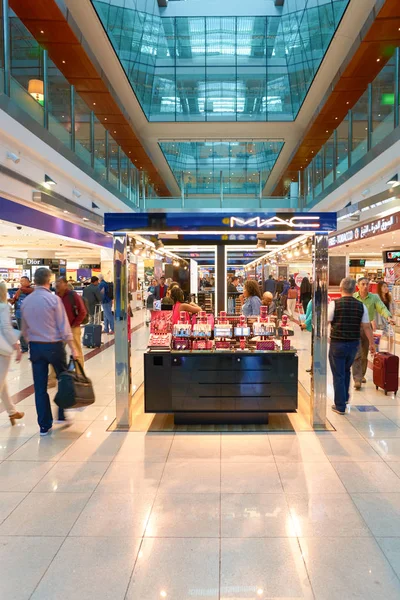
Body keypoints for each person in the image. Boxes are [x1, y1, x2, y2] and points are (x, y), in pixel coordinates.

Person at [21, 267, 78, 435]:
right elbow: (64, 326)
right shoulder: (53, 300)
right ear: (48, 280)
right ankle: (61, 413)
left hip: (36, 348)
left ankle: (44, 426)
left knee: (40, 388)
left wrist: (29, 339)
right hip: (54, 346)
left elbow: (24, 329)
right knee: (64, 378)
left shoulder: (26, 301)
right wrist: (73, 347)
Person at [328, 278, 375, 415]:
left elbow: (327, 321)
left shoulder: (334, 304)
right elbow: (367, 327)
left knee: (338, 374)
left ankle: (340, 406)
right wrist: (372, 344)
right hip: (354, 345)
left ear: (340, 288)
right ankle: (346, 398)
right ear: (355, 289)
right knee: (346, 370)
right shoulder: (361, 306)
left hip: (337, 343)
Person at [352, 277, 394, 390]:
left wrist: (389, 317)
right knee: (357, 353)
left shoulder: (374, 298)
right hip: (355, 328)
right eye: (363, 284)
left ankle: (362, 374)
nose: (366, 286)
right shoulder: (353, 297)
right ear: (358, 286)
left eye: (367, 284)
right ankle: (357, 378)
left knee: (365, 353)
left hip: (368, 328)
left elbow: (382, 308)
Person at [0, 281, 24, 426]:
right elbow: (6, 328)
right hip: (2, 348)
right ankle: (11, 411)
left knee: (2, 380)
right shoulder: (3, 307)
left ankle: (11, 411)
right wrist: (16, 346)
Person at [56, 276, 87, 365]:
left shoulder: (73, 295)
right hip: (60, 329)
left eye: (60, 282)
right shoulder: (56, 297)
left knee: (76, 351)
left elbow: (83, 311)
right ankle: (53, 376)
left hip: (73, 327)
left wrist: (75, 324)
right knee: (56, 352)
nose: (57, 284)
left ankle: (79, 374)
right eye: (56, 282)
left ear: (66, 284)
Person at [9, 276, 34, 353]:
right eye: (20, 281)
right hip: (19, 313)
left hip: (29, 314)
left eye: (23, 281)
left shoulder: (33, 290)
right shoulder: (19, 291)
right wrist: (11, 300)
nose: (21, 283)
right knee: (21, 331)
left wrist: (21, 290)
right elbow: (14, 300)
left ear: (28, 282)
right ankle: (24, 348)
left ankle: (33, 347)